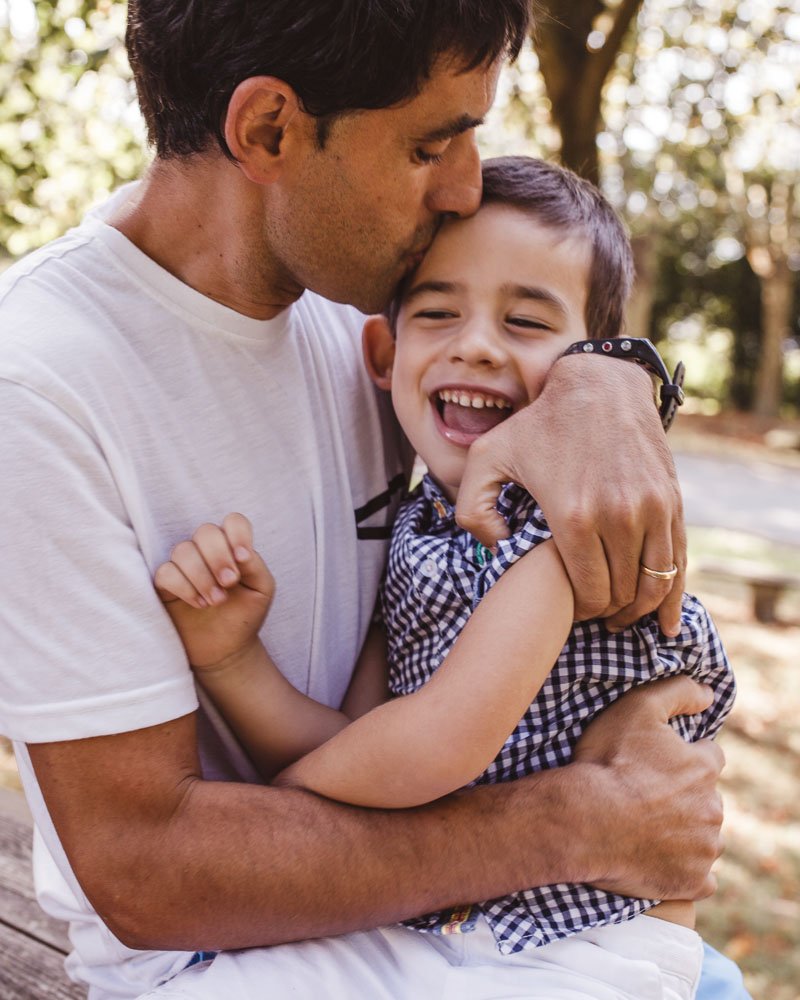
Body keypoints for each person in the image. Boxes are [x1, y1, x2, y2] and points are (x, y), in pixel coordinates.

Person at [0, 2, 740, 998]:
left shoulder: (355, 321)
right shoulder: (41, 384)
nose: (464, 185)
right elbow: (146, 868)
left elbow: (525, 337)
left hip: (479, 940)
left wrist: (609, 377)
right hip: (226, 962)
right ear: (268, 129)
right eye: (431, 144)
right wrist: (580, 821)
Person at [145, 157, 738, 1000]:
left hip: (585, 943)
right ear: (384, 354)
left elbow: (434, 746)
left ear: (589, 371)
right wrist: (231, 658)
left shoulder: (563, 531)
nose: (477, 344)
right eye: (438, 312)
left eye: (528, 322)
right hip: (436, 918)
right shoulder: (420, 525)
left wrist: (281, 807)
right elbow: (350, 737)